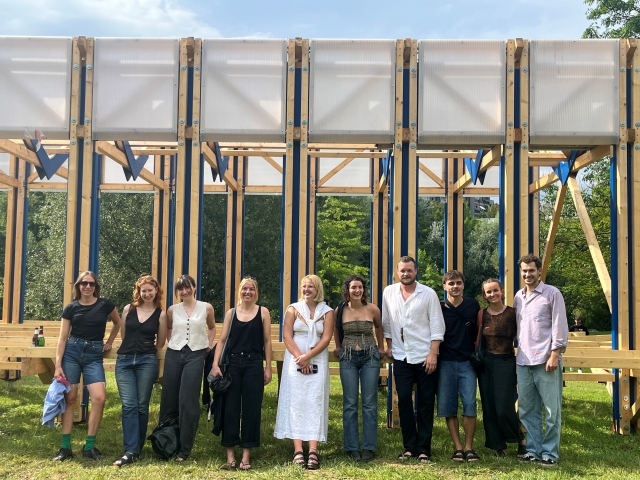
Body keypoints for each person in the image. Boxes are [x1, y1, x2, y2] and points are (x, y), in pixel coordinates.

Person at [52, 271, 121, 461]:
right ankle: (65, 448)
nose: (87, 287)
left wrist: (109, 342)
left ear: (96, 286)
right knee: (70, 398)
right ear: (78, 286)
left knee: (99, 398)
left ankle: (89, 447)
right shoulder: (71, 308)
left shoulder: (105, 304)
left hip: (94, 354)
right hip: (72, 353)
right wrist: (58, 365)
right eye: (84, 283)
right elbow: (62, 338)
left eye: (91, 284)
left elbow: (118, 322)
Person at [382, 256, 445, 463]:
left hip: (425, 356)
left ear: (416, 271)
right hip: (401, 356)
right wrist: (389, 345)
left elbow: (437, 324)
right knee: (403, 401)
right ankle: (409, 447)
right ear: (397, 272)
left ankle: (424, 448)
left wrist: (433, 353)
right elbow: (386, 322)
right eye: (402, 270)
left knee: (426, 402)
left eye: (409, 270)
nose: (406, 273)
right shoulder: (389, 292)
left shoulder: (428, 293)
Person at [211, 277, 273, 471]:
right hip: (232, 364)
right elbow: (222, 340)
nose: (248, 292)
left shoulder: (263, 312)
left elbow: (267, 341)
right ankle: (230, 454)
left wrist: (268, 367)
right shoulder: (231, 313)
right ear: (239, 291)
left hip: (254, 364)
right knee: (230, 408)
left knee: (251, 409)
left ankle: (246, 455)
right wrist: (215, 364)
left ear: (256, 292)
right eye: (245, 289)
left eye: (251, 289)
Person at [274, 274, 335, 470]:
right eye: (304, 286)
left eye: (310, 287)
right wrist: (301, 358)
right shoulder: (293, 309)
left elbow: (326, 338)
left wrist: (309, 356)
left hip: (317, 358)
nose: (306, 290)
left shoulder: (327, 311)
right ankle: (298, 449)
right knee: (297, 400)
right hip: (295, 358)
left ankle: (313, 450)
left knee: (315, 401)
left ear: (318, 289)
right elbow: (287, 335)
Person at [514, 254, 568, 467]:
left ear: (539, 271)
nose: (527, 274)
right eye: (524, 271)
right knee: (528, 410)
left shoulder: (552, 293)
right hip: (523, 361)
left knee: (552, 411)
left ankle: (550, 454)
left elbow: (559, 325)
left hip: (546, 360)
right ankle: (533, 450)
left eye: (531, 270)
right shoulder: (519, 296)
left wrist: (555, 354)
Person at [158, 274, 215, 462]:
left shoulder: (206, 307)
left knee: (188, 400)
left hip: (196, 353)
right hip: (174, 353)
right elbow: (168, 328)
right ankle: (166, 442)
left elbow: (212, 327)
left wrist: (208, 344)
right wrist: (172, 341)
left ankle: (184, 448)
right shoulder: (172, 309)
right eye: (181, 289)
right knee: (169, 398)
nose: (184, 291)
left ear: (194, 287)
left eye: (187, 287)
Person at [113, 275, 167, 467]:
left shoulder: (161, 314)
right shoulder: (129, 309)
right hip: (125, 360)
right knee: (129, 405)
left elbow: (161, 341)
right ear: (139, 292)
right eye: (143, 290)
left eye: (150, 290)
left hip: (147, 361)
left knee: (142, 405)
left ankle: (136, 447)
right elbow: (124, 334)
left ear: (156, 291)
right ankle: (131, 450)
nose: (147, 294)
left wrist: (148, 353)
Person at [333, 274, 385, 463]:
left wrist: (381, 347)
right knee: (350, 403)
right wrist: (338, 346)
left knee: (370, 403)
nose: (357, 290)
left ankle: (369, 447)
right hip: (348, 357)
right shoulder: (340, 310)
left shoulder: (372, 309)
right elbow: (335, 328)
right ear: (347, 290)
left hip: (370, 355)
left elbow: (379, 327)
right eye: (353, 287)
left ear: (364, 290)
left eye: (360, 287)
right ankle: (352, 447)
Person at [476, 278, 526, 458]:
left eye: (495, 290)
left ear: (502, 291)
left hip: (506, 360)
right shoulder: (482, 314)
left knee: (504, 405)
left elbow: (524, 335)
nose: (492, 294)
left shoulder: (513, 313)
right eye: (488, 292)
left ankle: (520, 439)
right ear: (484, 295)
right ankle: (499, 445)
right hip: (485, 362)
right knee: (489, 406)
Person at [438, 270, 481, 462]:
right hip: (445, 361)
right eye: (451, 283)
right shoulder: (439, 307)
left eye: (458, 283)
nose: (455, 286)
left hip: (467, 362)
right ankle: (457, 447)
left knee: (470, 403)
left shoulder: (473, 305)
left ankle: (469, 447)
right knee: (449, 406)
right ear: (444, 286)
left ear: (464, 285)